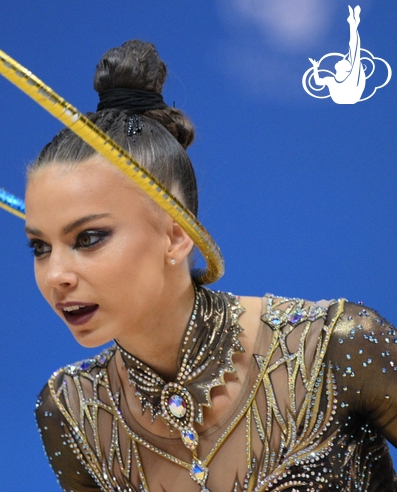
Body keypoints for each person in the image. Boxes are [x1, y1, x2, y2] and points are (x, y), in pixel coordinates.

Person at [27, 40, 397, 491]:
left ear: (177, 235)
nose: (55, 275)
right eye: (40, 247)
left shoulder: (335, 350)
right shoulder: (74, 411)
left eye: (88, 238)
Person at [309, 5, 366, 104]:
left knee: (354, 50)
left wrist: (353, 26)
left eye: (344, 61)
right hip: (345, 98)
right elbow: (318, 82)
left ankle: (353, 23)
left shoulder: (350, 78)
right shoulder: (332, 80)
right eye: (345, 61)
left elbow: (355, 49)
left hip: (349, 96)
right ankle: (353, 23)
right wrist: (315, 67)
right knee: (353, 50)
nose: (342, 59)